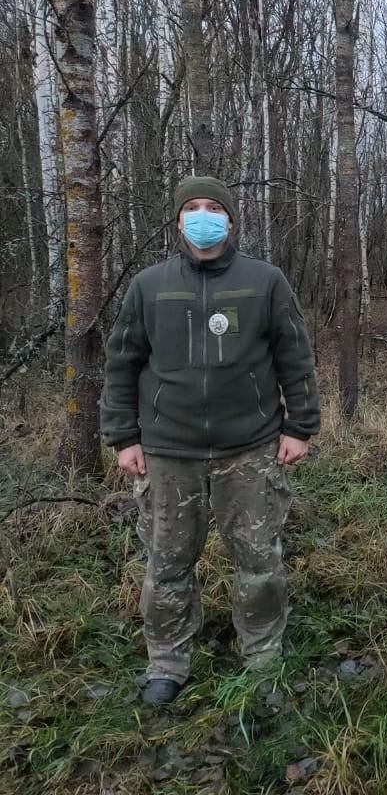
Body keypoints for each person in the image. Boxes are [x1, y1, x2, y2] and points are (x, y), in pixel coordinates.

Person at [100, 176, 320, 706]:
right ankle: (167, 663)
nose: (203, 216)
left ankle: (262, 654)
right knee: (167, 564)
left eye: (214, 208)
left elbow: (295, 356)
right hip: (167, 451)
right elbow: (121, 363)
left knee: (259, 559)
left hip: (251, 448)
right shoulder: (148, 286)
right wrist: (123, 436)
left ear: (231, 219)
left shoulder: (264, 280)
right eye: (193, 208)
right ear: (178, 221)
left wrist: (300, 426)